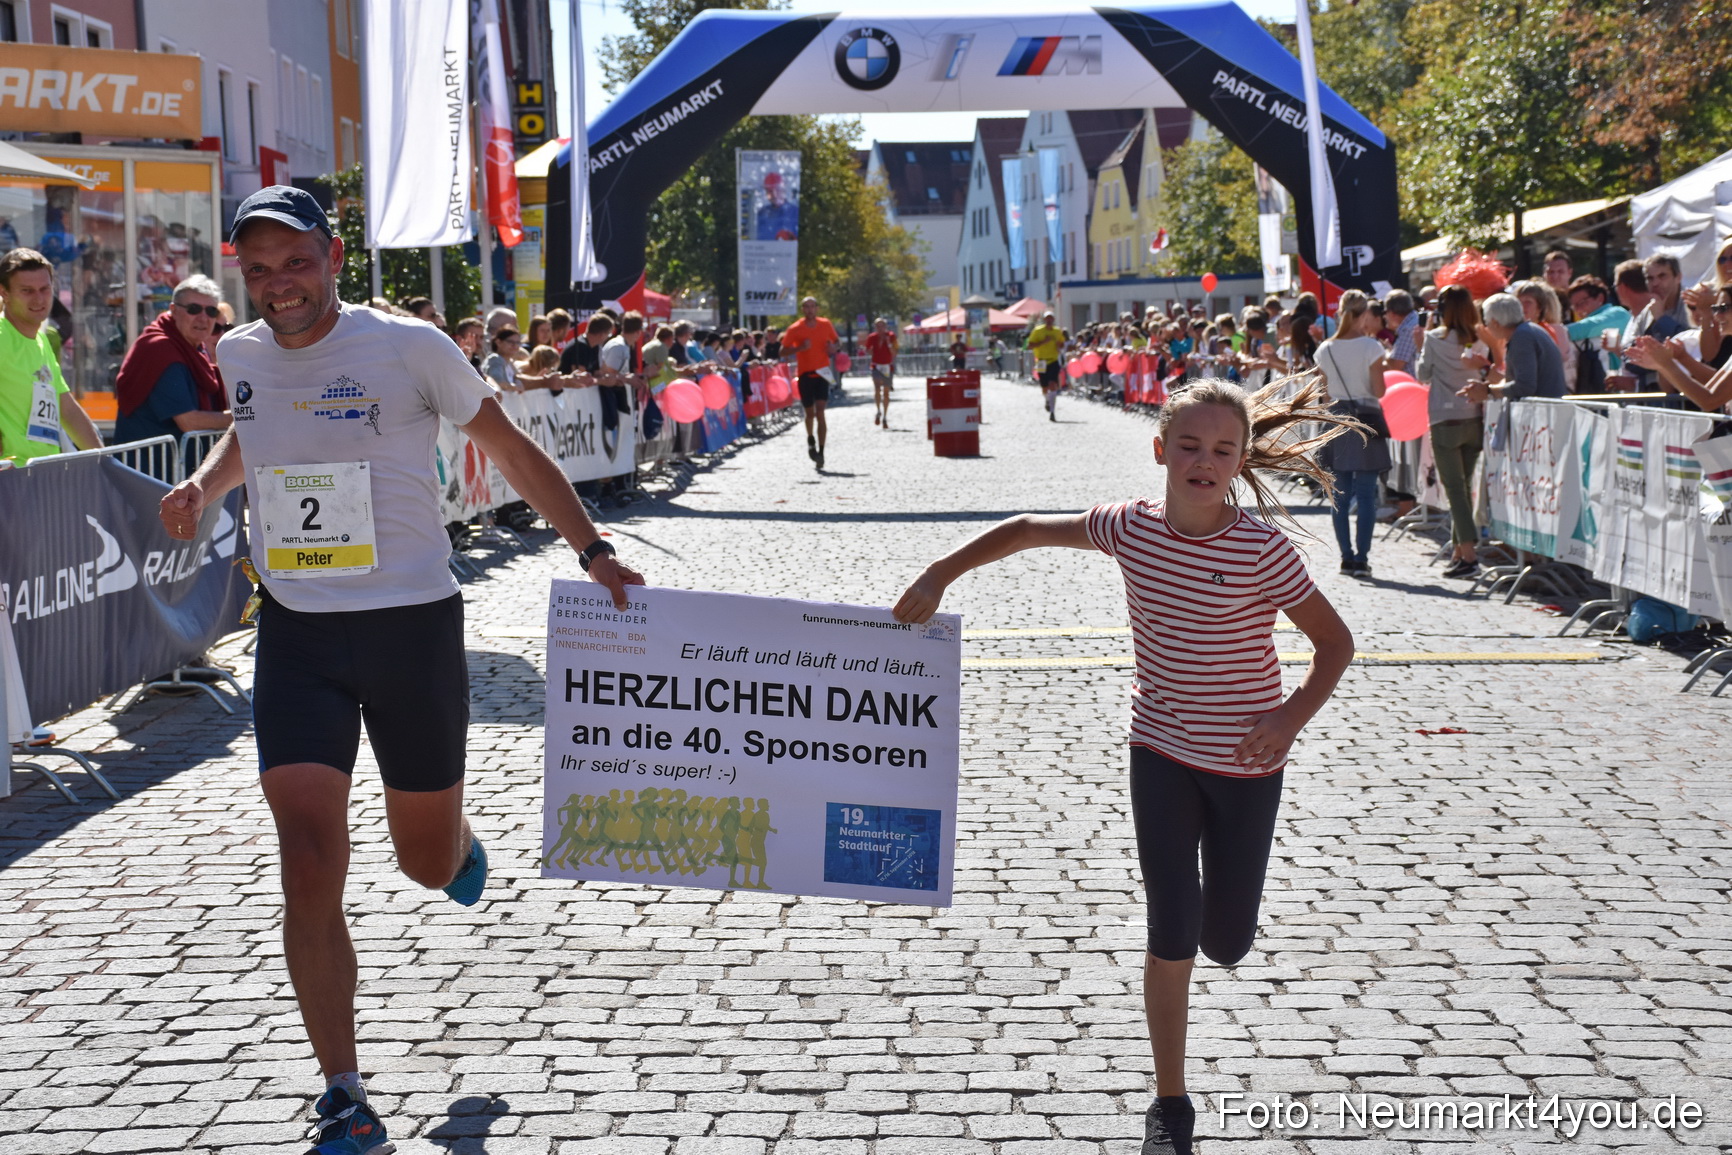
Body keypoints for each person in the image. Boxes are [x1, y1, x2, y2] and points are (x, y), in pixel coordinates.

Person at [157, 187, 644, 1155]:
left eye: (295, 262)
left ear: (332, 256)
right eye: (258, 270)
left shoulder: (410, 346)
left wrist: (591, 551)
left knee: (423, 865)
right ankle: (343, 1089)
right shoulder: (242, 351)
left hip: (411, 626)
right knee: (307, 859)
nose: (278, 285)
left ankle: (455, 846)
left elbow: (508, 446)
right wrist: (209, 486)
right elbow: (253, 428)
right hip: (296, 631)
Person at [892, 378, 1356, 1155]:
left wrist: (1287, 718)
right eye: (1190, 445)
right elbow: (1026, 528)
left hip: (1245, 762)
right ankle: (1170, 1105)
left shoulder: (1263, 551)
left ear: (1241, 463)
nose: (1204, 461)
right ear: (1159, 450)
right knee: (1171, 927)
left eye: (1222, 450)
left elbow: (1335, 645)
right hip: (1161, 749)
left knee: (1227, 941)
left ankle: (1217, 909)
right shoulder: (1129, 529)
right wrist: (942, 571)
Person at [1314, 290, 1395, 578]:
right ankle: (1361, 558)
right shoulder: (1371, 347)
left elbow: (1322, 395)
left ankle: (1346, 557)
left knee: (1341, 495)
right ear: (1363, 315)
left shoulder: (1325, 349)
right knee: (1366, 494)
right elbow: (1379, 390)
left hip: (1336, 420)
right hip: (1365, 419)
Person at [0, 247, 102, 463]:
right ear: (4, 293)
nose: (39, 299)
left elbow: (68, 410)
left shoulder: (42, 340)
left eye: (45, 289)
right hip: (9, 477)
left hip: (42, 474)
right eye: (27, 291)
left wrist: (106, 461)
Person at [114, 274, 233, 453]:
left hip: (177, 471)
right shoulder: (160, 349)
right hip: (148, 473)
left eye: (211, 311)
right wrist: (244, 417)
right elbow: (189, 421)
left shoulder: (196, 349)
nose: (203, 318)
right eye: (194, 309)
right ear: (174, 310)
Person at [1414, 284, 1486, 578]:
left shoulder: (1433, 338)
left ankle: (1468, 555)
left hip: (1445, 418)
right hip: (1472, 416)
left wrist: (1422, 345)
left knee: (1456, 489)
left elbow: (1422, 374)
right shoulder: (1479, 337)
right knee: (1463, 488)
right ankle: (1459, 552)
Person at [1459, 292, 1567, 404]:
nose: (1486, 328)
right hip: (1547, 410)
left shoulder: (1522, 337)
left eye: (1486, 323)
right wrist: (1486, 383)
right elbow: (1516, 380)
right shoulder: (1529, 331)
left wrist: (1488, 391)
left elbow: (1525, 386)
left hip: (1543, 413)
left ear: (1495, 323)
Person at [780, 296, 838, 468]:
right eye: (806, 307)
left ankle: (821, 451)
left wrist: (833, 348)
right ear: (802, 309)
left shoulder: (825, 324)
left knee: (821, 411)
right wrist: (799, 348)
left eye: (812, 306)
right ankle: (810, 438)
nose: (810, 309)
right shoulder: (795, 328)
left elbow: (836, 341)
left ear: (817, 308)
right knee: (809, 413)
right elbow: (782, 351)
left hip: (822, 373)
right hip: (805, 374)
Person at [1564, 275, 1629, 391]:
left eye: (1582, 302)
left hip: (1622, 388)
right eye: (1574, 306)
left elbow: (1589, 327)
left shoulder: (1618, 313)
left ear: (1600, 298)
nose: (1578, 310)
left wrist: (1552, 333)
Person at [1027, 311, 1064, 421]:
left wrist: (1059, 345)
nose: (1049, 320)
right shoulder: (1038, 331)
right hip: (1041, 361)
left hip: (1053, 360)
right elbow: (1029, 345)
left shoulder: (1057, 331)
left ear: (1053, 320)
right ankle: (1047, 400)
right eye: (1047, 318)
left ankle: (1052, 411)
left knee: (1053, 384)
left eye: (1051, 318)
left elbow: (1062, 344)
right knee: (1044, 387)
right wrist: (1043, 342)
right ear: (1044, 319)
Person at [863, 317, 897, 428]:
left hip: (887, 366)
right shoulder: (872, 337)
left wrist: (888, 344)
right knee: (877, 387)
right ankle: (878, 410)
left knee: (886, 392)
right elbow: (867, 350)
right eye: (878, 326)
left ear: (886, 326)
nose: (880, 328)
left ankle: (885, 417)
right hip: (876, 365)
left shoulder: (891, 336)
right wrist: (870, 350)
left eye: (882, 325)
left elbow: (894, 353)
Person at [1384, 289, 1420, 375]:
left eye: (1385, 312)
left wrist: (1385, 353)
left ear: (1392, 313)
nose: (1384, 316)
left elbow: (1395, 366)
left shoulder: (1408, 329)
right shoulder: (1414, 320)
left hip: (1413, 386)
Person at [480, 327, 522, 392]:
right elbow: (497, 382)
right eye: (510, 342)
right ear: (498, 342)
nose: (515, 345)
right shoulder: (495, 359)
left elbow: (518, 378)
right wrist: (515, 387)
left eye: (518, 342)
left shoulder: (510, 362)